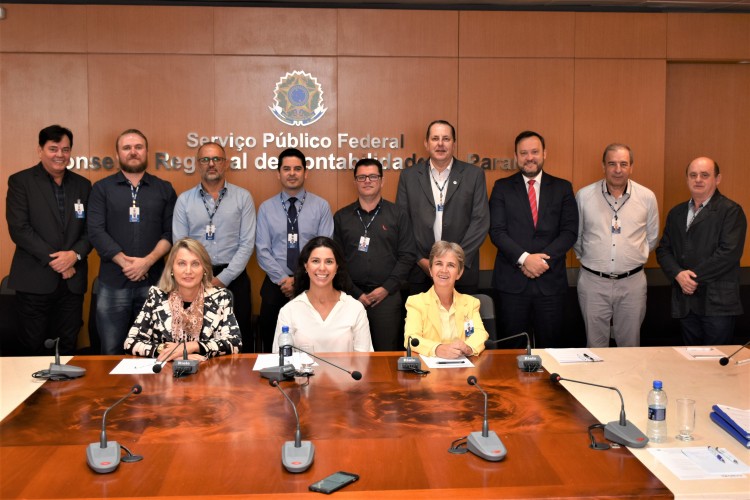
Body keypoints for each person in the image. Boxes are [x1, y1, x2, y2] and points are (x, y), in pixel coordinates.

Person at [88, 129, 177, 354]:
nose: (133, 152)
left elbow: (171, 233)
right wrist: (126, 263)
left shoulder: (164, 189)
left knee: (154, 350)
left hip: (154, 283)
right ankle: (114, 391)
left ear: (147, 152)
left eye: (138, 147)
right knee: (110, 351)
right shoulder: (101, 189)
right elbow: (96, 231)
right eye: (126, 148)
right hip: (113, 282)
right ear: (117, 155)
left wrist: (147, 262)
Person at [6, 125, 92, 355]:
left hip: (72, 285)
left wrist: (73, 256)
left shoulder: (83, 185)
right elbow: (19, 229)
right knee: (31, 347)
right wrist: (58, 261)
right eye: (53, 149)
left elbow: (90, 230)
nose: (60, 155)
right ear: (40, 150)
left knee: (66, 347)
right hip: (34, 281)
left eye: (65, 149)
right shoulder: (20, 182)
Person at [489, 131, 578, 348]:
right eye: (524, 153)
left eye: (535, 152)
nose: (530, 157)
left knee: (551, 350)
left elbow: (569, 232)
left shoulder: (562, 188)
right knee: (511, 351)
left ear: (544, 154)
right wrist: (525, 259)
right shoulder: (501, 187)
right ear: (516, 156)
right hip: (511, 285)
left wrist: (541, 262)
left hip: (551, 284)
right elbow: (497, 231)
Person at [173, 141, 256, 351]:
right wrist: (200, 278)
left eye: (217, 159)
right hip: (194, 279)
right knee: (197, 339)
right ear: (197, 164)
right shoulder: (184, 201)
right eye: (205, 159)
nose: (211, 164)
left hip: (234, 278)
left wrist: (222, 279)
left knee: (238, 338)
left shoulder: (243, 197)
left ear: (225, 163)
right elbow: (180, 245)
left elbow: (247, 243)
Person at [574, 144, 659, 347]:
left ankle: (627, 381)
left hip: (632, 283)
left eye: (623, 164)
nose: (618, 169)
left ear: (631, 167)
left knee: (630, 345)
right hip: (593, 282)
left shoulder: (647, 197)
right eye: (612, 164)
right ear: (603, 166)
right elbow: (576, 238)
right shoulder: (584, 196)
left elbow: (652, 237)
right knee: (595, 347)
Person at [656, 157, 746, 345]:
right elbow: (664, 250)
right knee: (691, 364)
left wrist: (691, 279)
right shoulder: (676, 213)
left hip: (717, 304)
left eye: (705, 175)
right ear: (687, 179)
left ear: (717, 179)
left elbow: (728, 254)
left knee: (716, 366)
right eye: (693, 175)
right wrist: (678, 275)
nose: (698, 179)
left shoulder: (731, 211)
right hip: (686, 303)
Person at [396, 120, 489, 294]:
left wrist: (455, 261)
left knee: (460, 320)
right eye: (435, 138)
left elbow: (480, 221)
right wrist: (421, 260)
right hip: (421, 272)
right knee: (421, 321)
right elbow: (403, 223)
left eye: (446, 139)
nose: (440, 144)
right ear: (426, 143)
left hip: (462, 272)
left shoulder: (474, 175)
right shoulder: (409, 176)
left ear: (454, 143)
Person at [333, 158, 417, 351]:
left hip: (387, 297)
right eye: (361, 177)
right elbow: (336, 261)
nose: (367, 181)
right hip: (350, 298)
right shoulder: (342, 217)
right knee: (350, 352)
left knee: (385, 354)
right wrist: (356, 293)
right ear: (355, 181)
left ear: (382, 180)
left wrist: (385, 289)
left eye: (372, 176)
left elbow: (407, 256)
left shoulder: (398, 214)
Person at [256, 148, 334, 352]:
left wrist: (299, 280)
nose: (292, 173)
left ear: (306, 172)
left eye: (297, 169)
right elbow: (262, 250)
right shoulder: (266, 208)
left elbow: (324, 248)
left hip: (312, 283)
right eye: (287, 169)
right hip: (275, 284)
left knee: (309, 340)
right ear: (278, 173)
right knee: (271, 341)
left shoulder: (321, 206)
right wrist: (284, 279)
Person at [124, 238, 241, 359]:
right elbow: (131, 343)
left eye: (195, 264)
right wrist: (172, 353)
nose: (188, 271)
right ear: (172, 269)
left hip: (206, 371)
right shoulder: (156, 297)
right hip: (166, 373)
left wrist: (192, 346)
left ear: (205, 269)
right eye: (181, 263)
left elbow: (234, 343)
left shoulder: (220, 298)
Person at [271, 237, 373, 353]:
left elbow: (365, 362)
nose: (322, 268)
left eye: (329, 261)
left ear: (337, 267)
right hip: (302, 372)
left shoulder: (355, 308)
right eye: (315, 261)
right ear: (306, 265)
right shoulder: (289, 311)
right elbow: (281, 362)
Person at [403, 241, 488, 359]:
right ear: (431, 270)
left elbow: (480, 334)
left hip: (463, 368)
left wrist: (468, 348)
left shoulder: (471, 303)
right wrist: (437, 349)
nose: (444, 270)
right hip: (429, 372)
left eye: (451, 265)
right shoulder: (416, 302)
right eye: (439, 263)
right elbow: (411, 338)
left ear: (459, 273)